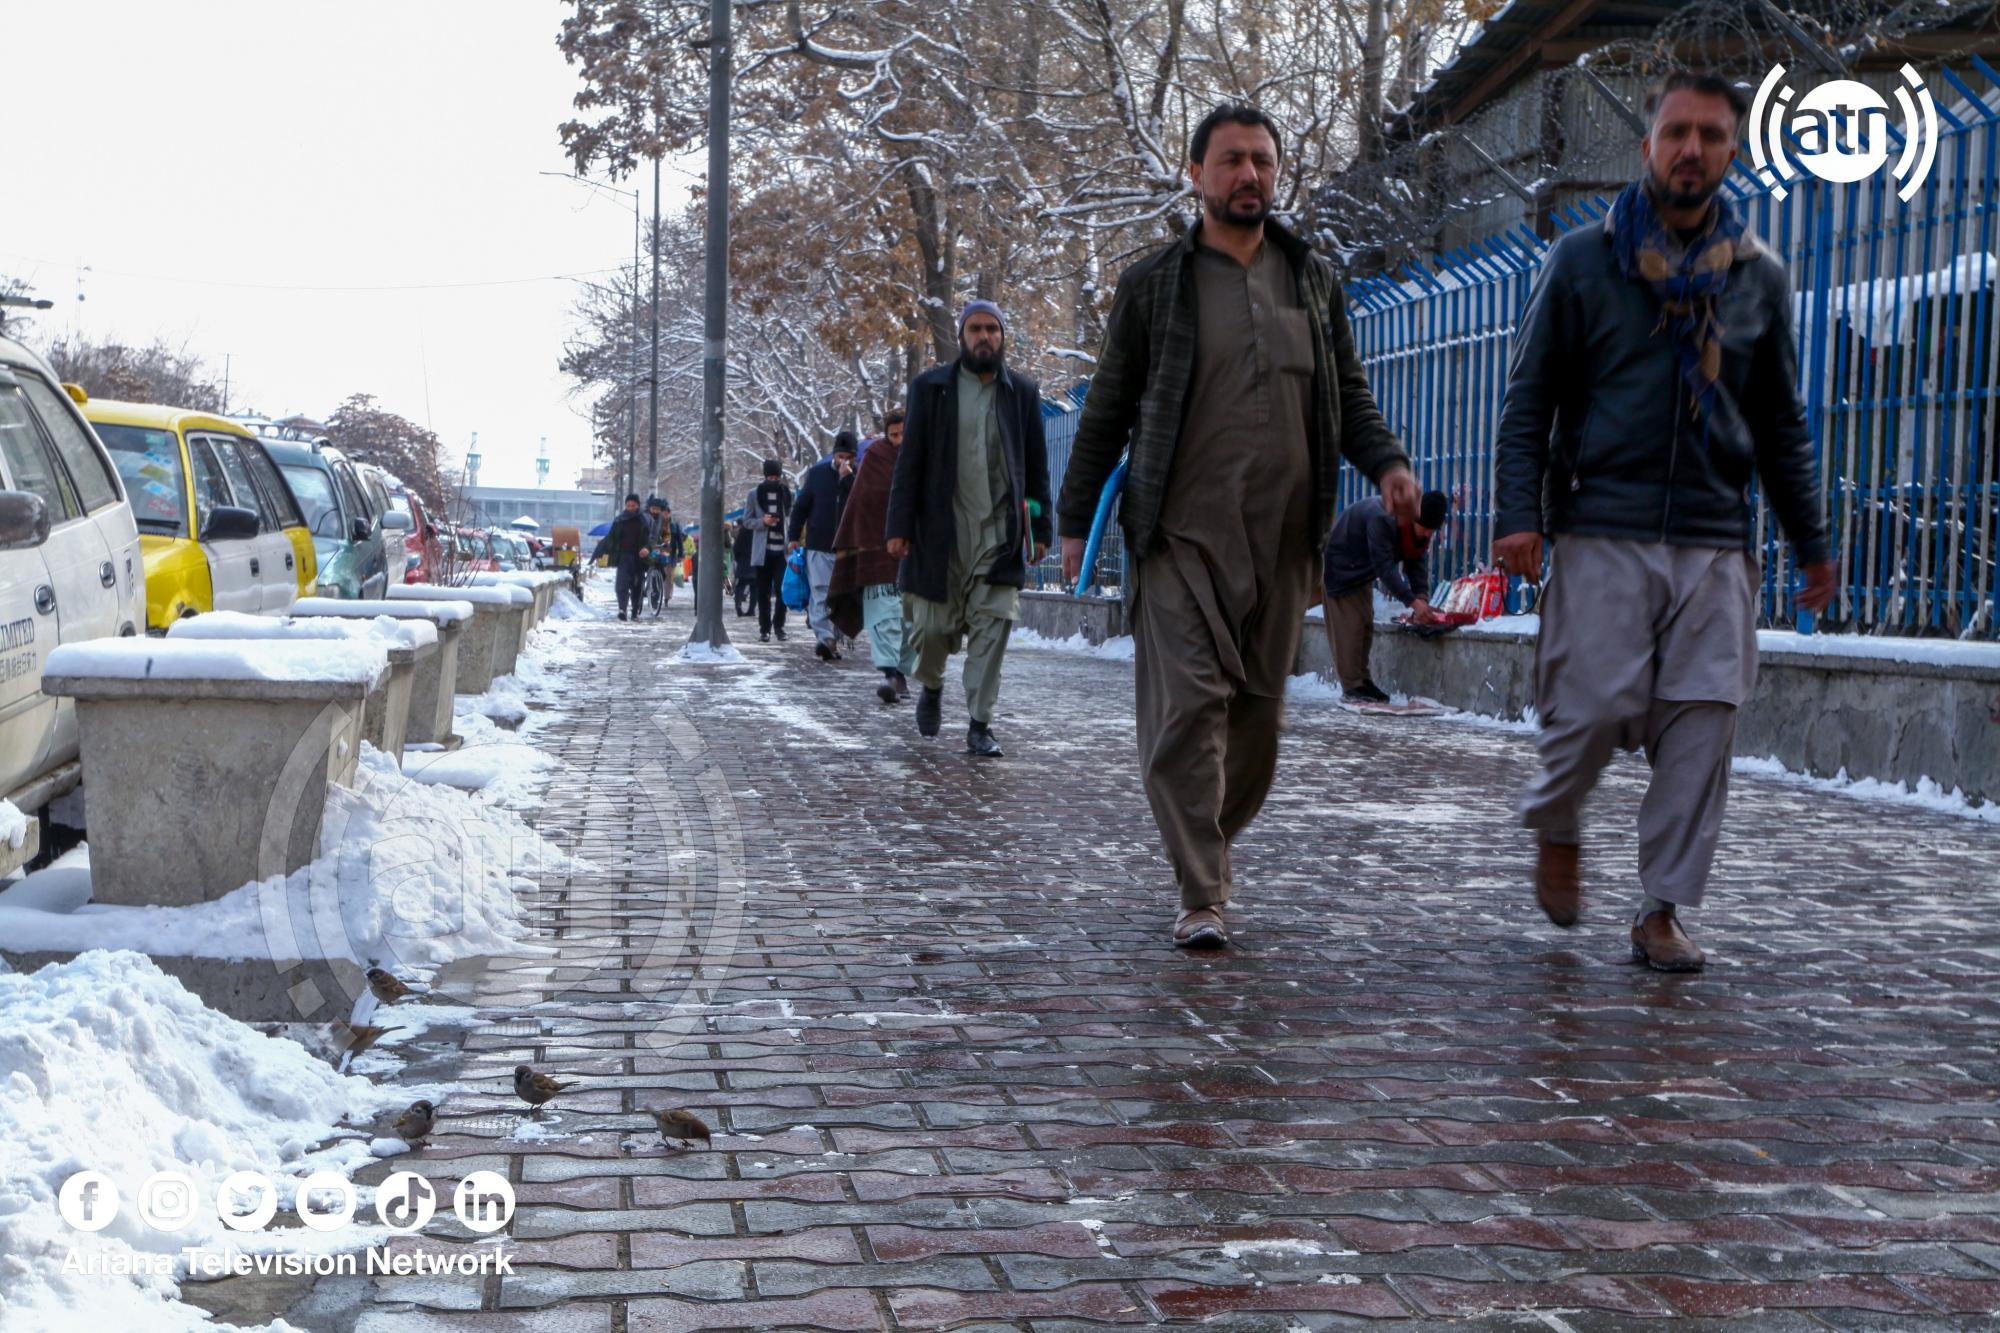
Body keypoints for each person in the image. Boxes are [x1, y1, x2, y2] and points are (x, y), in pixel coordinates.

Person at [1493, 71, 1835, 973]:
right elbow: (1529, 399)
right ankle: (1558, 819)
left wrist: (1812, 541)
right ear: (1647, 146)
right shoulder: (1582, 261)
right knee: (1589, 706)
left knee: (1705, 719)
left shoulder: (1758, 277)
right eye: (1677, 132)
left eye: (1712, 135)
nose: (1692, 149)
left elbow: (1780, 420)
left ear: (1731, 150)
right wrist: (1517, 515)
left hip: (1715, 536)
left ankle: (1662, 909)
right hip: (1603, 522)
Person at [1058, 103, 1416, 949]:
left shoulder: (1312, 279)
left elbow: (1350, 398)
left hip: (1285, 543)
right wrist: (1077, 516)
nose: (1248, 174)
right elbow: (1107, 404)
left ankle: (1209, 845)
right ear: (1196, 174)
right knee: (1187, 709)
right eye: (1230, 161)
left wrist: (1389, 464)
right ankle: (1201, 889)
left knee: (1256, 722)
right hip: (1181, 537)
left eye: (1262, 160)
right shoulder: (1156, 285)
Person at [888, 301, 1051, 757]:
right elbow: (910, 464)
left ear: (1003, 337)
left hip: (999, 539)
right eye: (976, 329)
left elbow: (1036, 470)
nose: (985, 337)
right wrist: (898, 526)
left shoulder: (1021, 392)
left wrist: (1040, 529)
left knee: (993, 629)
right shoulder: (931, 389)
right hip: (941, 537)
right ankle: (933, 686)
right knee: (933, 630)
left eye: (993, 329)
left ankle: (980, 724)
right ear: (962, 337)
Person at [1321, 489, 1450, 702]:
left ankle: (1362, 681)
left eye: (1432, 530)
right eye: (1425, 527)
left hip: (1361, 568)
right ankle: (1352, 686)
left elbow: (1415, 562)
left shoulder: (1414, 529)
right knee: (1350, 626)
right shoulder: (1383, 518)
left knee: (1364, 624)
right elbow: (1385, 568)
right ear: (1413, 518)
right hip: (1341, 562)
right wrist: (1412, 602)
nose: (1427, 533)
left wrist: (1422, 598)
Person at [830, 407, 914, 703]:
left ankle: (902, 673)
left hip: (914, 556)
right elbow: (861, 501)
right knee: (884, 617)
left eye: (904, 433)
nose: (900, 440)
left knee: (910, 620)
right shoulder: (875, 458)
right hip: (877, 554)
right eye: (894, 435)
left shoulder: (924, 455)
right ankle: (890, 674)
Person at [789, 432, 858, 661]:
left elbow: (863, 505)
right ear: (833, 454)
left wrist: (847, 479)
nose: (844, 461)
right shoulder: (818, 474)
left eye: (849, 457)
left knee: (844, 596)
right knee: (820, 592)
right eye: (840, 456)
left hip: (850, 547)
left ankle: (835, 638)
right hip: (819, 543)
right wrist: (794, 535)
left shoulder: (860, 478)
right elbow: (801, 507)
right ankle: (825, 637)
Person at [746, 459, 793, 642]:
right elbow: (747, 521)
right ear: (765, 476)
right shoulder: (754, 494)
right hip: (763, 552)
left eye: (776, 477)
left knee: (783, 590)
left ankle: (779, 626)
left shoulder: (787, 494)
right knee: (763, 592)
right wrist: (763, 522)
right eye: (770, 477)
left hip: (782, 552)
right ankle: (764, 629)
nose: (773, 480)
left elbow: (792, 518)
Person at [590, 493, 653, 621]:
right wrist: (601, 551)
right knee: (622, 585)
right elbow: (611, 538)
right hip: (623, 557)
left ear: (638, 505)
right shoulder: (619, 520)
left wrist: (647, 548)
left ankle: (635, 611)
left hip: (639, 558)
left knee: (637, 585)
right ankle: (622, 610)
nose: (630, 507)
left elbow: (650, 538)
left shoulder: (644, 520)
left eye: (633, 505)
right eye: (628, 505)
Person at [731, 518, 755, 616]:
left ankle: (738, 606)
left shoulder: (742, 532)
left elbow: (736, 548)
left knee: (740, 586)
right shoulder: (758, 531)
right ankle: (751, 609)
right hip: (756, 563)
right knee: (754, 588)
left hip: (743, 563)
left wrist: (738, 559)